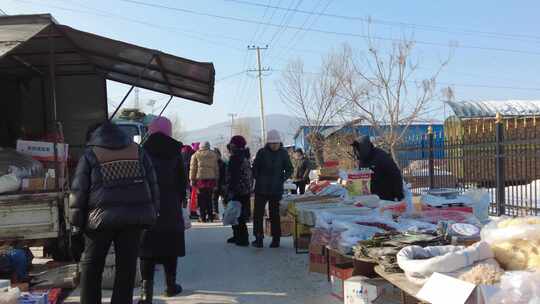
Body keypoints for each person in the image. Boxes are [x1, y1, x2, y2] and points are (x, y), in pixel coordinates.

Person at [70, 121, 159, 304]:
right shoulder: (138, 151)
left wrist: (76, 225)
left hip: (100, 220)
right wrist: (153, 213)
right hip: (134, 219)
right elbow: (153, 184)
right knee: (126, 267)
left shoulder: (90, 154)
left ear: (93, 137)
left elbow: (79, 193)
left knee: (92, 266)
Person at [138, 117, 186, 303]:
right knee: (170, 247)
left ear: (151, 130)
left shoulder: (142, 151)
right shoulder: (175, 152)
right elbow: (182, 183)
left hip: (147, 205)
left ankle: (145, 294)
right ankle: (170, 286)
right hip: (170, 206)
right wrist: (179, 200)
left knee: (147, 249)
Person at [252, 130, 293, 248]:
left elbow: (290, 169)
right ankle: (258, 237)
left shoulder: (283, 153)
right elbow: (254, 168)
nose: (274, 145)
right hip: (261, 189)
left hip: (276, 189)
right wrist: (258, 178)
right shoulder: (262, 153)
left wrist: (282, 178)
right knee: (258, 214)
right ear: (268, 143)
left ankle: (276, 239)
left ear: (280, 143)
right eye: (272, 143)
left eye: (276, 143)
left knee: (274, 214)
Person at [352, 135, 404, 201]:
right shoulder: (362, 159)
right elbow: (362, 178)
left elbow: (395, 174)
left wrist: (399, 196)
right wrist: (354, 189)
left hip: (386, 198)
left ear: (364, 147)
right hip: (371, 198)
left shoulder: (381, 156)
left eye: (358, 149)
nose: (356, 152)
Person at [225, 135, 252, 247]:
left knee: (237, 214)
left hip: (238, 190)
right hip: (244, 189)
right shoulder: (242, 156)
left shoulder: (236, 158)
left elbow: (234, 176)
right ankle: (238, 235)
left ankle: (242, 238)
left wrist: (230, 189)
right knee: (238, 213)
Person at [190, 141, 219, 222]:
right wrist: (216, 179)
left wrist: (192, 179)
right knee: (209, 198)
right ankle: (210, 216)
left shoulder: (196, 155)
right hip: (211, 179)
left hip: (200, 180)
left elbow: (193, 168)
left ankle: (202, 217)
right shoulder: (213, 155)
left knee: (201, 199)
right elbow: (216, 168)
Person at [213, 148, 227, 220]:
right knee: (214, 199)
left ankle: (226, 213)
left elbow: (225, 174)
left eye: (217, 154)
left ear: (219, 155)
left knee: (224, 199)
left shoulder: (223, 163)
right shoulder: (212, 164)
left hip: (222, 184)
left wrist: (224, 184)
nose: (215, 156)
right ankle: (216, 213)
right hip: (215, 184)